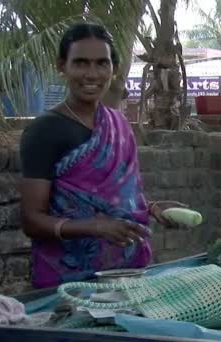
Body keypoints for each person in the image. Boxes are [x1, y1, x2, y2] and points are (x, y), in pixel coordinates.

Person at [19, 23, 185, 288]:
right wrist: (92, 226)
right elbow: (31, 220)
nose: (92, 74)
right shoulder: (44, 132)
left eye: (101, 63)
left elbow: (121, 198)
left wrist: (153, 208)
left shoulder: (119, 125)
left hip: (128, 277)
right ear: (62, 66)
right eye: (81, 63)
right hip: (66, 283)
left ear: (113, 68)